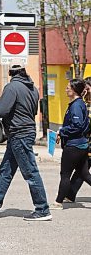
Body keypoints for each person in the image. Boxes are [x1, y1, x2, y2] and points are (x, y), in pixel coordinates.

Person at [0, 63, 52, 221]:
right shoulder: (33, 88)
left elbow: (1, 112)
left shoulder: (12, 87)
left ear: (11, 73)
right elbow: (31, 111)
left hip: (19, 133)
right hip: (23, 132)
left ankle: (42, 209)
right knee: (6, 171)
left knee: (30, 172)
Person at [50, 78, 91, 209]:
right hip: (81, 144)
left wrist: (62, 131)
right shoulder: (79, 104)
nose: (66, 89)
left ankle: (58, 202)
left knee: (65, 174)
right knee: (84, 174)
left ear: (74, 90)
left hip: (74, 146)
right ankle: (64, 198)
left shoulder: (77, 106)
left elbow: (77, 126)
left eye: (68, 87)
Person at [65, 77, 91, 202]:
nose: (85, 91)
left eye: (87, 88)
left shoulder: (81, 104)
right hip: (86, 141)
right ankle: (70, 195)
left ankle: (68, 195)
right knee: (82, 171)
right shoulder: (83, 103)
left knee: (83, 171)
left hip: (86, 141)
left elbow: (80, 124)